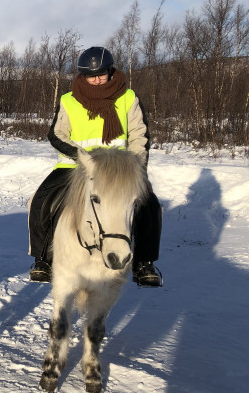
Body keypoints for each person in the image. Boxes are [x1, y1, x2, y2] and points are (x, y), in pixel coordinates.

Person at [27, 46, 163, 287]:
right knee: (41, 200)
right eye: (92, 76)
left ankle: (143, 263)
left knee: (150, 205)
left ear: (110, 72)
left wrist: (138, 171)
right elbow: (57, 134)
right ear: (82, 76)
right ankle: (43, 259)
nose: (97, 80)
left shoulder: (128, 98)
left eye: (102, 74)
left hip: (119, 169)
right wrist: (82, 157)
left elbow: (139, 136)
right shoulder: (68, 100)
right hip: (75, 166)